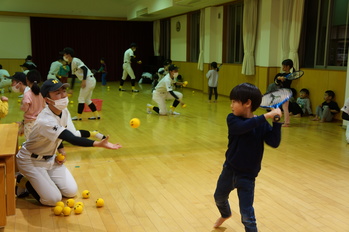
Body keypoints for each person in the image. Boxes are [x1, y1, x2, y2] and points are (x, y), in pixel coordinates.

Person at [15, 79, 122, 206]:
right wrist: (98, 144)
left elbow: (61, 135)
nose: (63, 95)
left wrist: (61, 151)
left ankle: (43, 182)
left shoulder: (64, 112)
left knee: (71, 192)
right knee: (53, 199)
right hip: (30, 160)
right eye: (57, 93)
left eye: (64, 91)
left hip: (50, 159)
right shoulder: (45, 120)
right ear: (47, 100)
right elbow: (71, 138)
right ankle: (22, 180)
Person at [213, 83, 282, 231]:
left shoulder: (261, 123)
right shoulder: (232, 119)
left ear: (247, 103)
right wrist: (266, 116)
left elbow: (274, 142)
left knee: (247, 214)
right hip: (229, 170)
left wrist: (276, 122)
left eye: (234, 101)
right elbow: (241, 128)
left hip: (248, 176)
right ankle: (226, 214)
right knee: (219, 197)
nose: (231, 105)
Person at [60, 47, 100, 120]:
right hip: (90, 80)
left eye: (64, 54)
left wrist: (84, 80)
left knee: (81, 99)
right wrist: (71, 89)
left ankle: (78, 117)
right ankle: (97, 115)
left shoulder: (75, 60)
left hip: (88, 79)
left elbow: (84, 69)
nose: (63, 56)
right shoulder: (72, 63)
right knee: (87, 100)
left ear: (68, 55)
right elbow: (73, 77)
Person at [20, 70, 45, 139]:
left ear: (27, 81)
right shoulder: (42, 93)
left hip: (30, 123)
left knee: (30, 144)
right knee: (39, 143)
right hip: (41, 121)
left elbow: (25, 108)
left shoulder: (27, 94)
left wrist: (21, 105)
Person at [274, 59, 294, 127]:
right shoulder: (282, 74)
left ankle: (287, 122)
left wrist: (283, 78)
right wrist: (279, 78)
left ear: (288, 66)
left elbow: (287, 82)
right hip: (282, 92)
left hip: (286, 92)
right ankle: (285, 121)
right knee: (283, 107)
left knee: (285, 107)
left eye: (284, 66)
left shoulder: (290, 75)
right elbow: (276, 81)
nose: (282, 67)